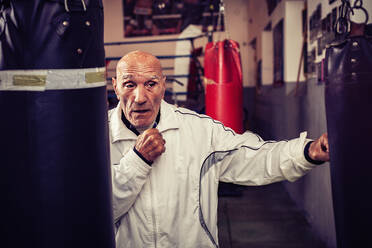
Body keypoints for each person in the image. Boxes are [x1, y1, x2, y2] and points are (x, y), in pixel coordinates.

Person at [109, 50, 329, 248]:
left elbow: (253, 157)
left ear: (163, 86)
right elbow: (95, 214)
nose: (139, 98)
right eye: (129, 84)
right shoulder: (96, 139)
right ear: (115, 86)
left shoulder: (198, 130)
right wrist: (138, 160)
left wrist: (307, 151)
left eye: (150, 84)